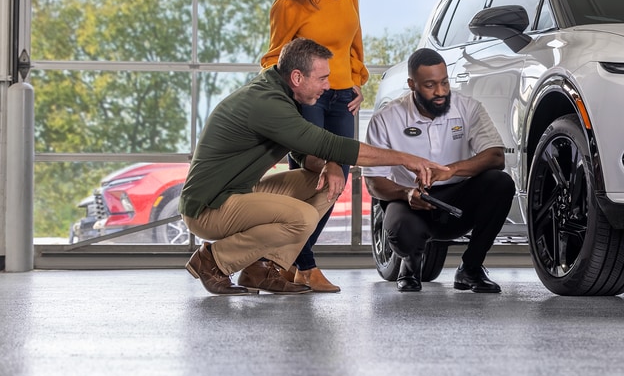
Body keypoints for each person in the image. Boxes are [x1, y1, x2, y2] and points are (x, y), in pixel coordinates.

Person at [180, 38, 451, 296]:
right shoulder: (268, 104)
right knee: (303, 218)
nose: (328, 86)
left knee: (325, 185)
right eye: (322, 78)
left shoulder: (281, 95)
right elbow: (331, 143)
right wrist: (408, 159)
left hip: (239, 193)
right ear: (297, 77)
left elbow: (303, 153)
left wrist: (328, 165)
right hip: (208, 207)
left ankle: (262, 268)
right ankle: (213, 260)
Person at [259, 0, 367, 294]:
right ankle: (304, 264)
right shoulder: (289, 3)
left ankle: (291, 263)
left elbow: (355, 38)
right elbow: (273, 58)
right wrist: (293, 96)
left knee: (338, 179)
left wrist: (356, 79)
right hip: (309, 99)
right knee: (311, 178)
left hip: (342, 98)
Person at [365, 48, 516, 293]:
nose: (440, 92)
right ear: (411, 84)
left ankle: (471, 268)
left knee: (501, 183)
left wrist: (451, 170)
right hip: (411, 200)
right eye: (430, 85)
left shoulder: (468, 108)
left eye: (444, 82)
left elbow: (496, 156)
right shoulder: (386, 118)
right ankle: (410, 265)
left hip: (458, 199)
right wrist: (406, 194)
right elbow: (374, 183)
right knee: (402, 232)